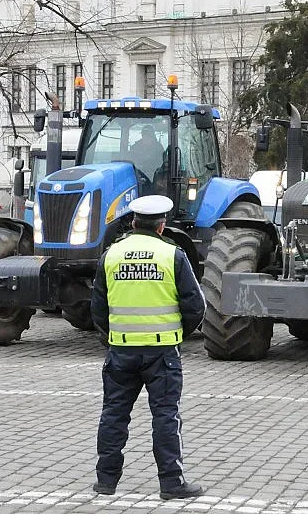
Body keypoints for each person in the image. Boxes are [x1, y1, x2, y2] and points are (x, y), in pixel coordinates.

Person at [91, 194, 206, 500]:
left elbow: (98, 310)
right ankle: (171, 483)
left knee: (114, 414)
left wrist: (114, 335)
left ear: (132, 222)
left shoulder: (111, 255)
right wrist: (176, 334)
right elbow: (196, 306)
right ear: (161, 225)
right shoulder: (173, 254)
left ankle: (106, 481)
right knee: (166, 416)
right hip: (162, 353)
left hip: (121, 351)